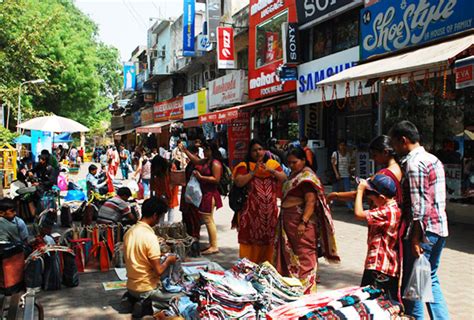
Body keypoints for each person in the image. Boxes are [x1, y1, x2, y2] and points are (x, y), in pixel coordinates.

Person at [389, 121, 449, 319]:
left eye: (395, 144)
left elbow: (420, 206)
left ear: (403, 140)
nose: (394, 150)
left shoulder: (415, 165)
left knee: (413, 284)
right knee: (428, 278)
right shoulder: (433, 159)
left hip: (424, 233)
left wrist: (415, 238)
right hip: (439, 229)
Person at [275, 147, 340, 294]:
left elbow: (310, 201)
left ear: (304, 160)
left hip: (300, 222)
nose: (291, 165)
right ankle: (293, 290)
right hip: (288, 221)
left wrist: (303, 222)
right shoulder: (294, 175)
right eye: (289, 162)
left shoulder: (307, 178)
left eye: (294, 162)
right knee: (289, 255)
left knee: (304, 256)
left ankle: (307, 292)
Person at [123, 197, 179, 317]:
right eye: (159, 217)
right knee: (184, 297)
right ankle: (150, 305)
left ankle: (134, 299)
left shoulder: (130, 231)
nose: (159, 221)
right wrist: (168, 260)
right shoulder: (149, 237)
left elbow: (139, 256)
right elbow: (159, 270)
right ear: (155, 215)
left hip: (131, 286)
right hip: (146, 288)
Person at [232, 139, 286, 264]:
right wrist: (253, 172)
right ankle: (247, 268)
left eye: (260, 149)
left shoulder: (272, 164)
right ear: (250, 152)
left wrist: (271, 171)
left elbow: (284, 178)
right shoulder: (244, 165)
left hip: (270, 214)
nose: (258, 152)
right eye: (254, 150)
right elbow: (239, 182)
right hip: (250, 214)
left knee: (269, 241)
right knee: (250, 241)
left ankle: (267, 269)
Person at [354, 174, 401, 300]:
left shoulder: (387, 211)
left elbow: (358, 214)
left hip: (380, 265)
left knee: (370, 301)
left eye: (371, 195)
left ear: (381, 197)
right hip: (384, 265)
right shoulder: (391, 207)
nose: (370, 198)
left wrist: (360, 190)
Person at [327, 135, 403, 206]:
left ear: (385, 152)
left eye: (375, 155)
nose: (373, 159)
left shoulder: (385, 174)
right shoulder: (399, 168)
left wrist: (335, 195)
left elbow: (363, 194)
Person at [179, 140, 223, 255]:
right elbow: (196, 160)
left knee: (208, 220)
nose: (203, 151)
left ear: (211, 150)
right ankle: (212, 244)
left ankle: (214, 246)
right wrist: (185, 151)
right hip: (205, 193)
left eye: (205, 149)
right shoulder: (207, 161)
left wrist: (201, 177)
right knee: (208, 219)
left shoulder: (215, 163)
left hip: (210, 194)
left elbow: (216, 179)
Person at [179, 145, 201, 240]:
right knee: (187, 216)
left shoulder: (198, 162)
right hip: (187, 191)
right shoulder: (191, 163)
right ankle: (189, 236)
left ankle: (194, 238)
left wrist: (185, 150)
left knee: (194, 218)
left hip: (194, 193)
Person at [150, 155, 177, 224]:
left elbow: (173, 181)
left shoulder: (170, 167)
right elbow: (152, 182)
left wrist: (166, 194)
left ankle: (170, 225)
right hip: (160, 190)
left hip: (171, 191)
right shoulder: (155, 169)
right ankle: (160, 226)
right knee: (161, 209)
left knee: (171, 207)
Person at [331, 140, 354, 210]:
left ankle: (350, 206)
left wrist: (350, 173)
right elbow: (333, 164)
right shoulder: (335, 154)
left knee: (347, 191)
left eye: (344, 145)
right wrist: (336, 174)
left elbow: (349, 165)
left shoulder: (347, 154)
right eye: (341, 145)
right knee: (335, 191)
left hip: (346, 174)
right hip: (338, 174)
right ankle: (331, 205)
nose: (342, 147)